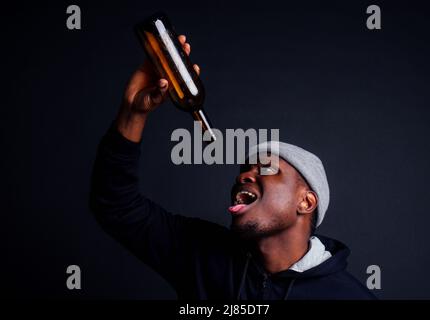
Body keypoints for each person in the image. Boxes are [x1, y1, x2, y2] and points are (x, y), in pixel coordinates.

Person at [89, 35, 376, 300]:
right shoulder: (202, 253)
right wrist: (133, 112)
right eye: (245, 168)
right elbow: (117, 207)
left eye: (265, 168)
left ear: (306, 200)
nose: (243, 175)